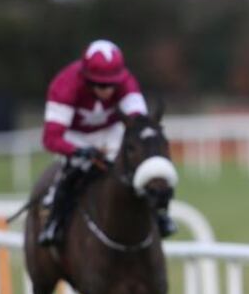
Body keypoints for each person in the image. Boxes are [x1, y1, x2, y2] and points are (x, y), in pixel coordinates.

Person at [38, 39, 177, 246]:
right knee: (74, 172)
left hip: (111, 131)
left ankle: (159, 215)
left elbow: (138, 124)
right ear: (86, 78)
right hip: (74, 135)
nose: (108, 90)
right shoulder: (65, 85)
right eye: (102, 84)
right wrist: (79, 151)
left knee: (136, 163)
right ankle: (54, 222)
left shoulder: (127, 82)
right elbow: (51, 138)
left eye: (113, 84)